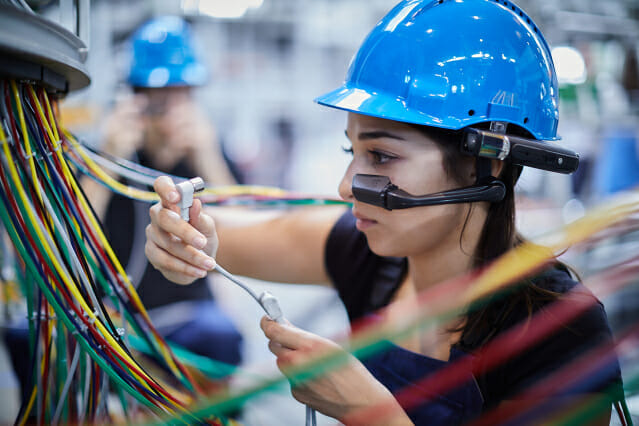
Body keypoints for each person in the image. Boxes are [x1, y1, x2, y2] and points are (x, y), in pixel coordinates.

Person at [144, 1, 624, 424]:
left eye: (382, 156)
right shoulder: (369, 254)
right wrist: (182, 234)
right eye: (351, 150)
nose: (344, 185)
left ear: (489, 161)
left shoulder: (560, 331)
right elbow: (219, 235)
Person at [82, 16, 242, 366]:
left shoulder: (207, 155)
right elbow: (71, 236)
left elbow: (248, 229)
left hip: (189, 314)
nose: (173, 109)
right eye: (161, 99)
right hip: (115, 313)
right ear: (136, 99)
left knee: (222, 336)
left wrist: (208, 157)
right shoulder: (105, 161)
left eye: (182, 95)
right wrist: (109, 159)